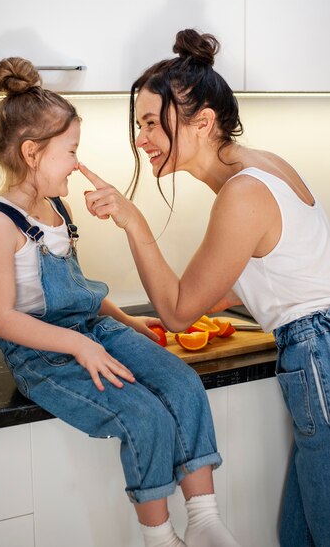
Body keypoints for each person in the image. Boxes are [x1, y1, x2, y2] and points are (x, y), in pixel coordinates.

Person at [0, 56, 240, 547]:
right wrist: (80, 346)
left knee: (181, 381)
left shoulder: (55, 208)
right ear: (31, 153)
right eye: (70, 151)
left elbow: (75, 286)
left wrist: (126, 322)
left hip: (92, 332)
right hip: (43, 355)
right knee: (144, 416)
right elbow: (4, 319)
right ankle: (160, 536)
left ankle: (204, 520)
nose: (77, 163)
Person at [79, 28, 330, 547]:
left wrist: (132, 220)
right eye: (139, 124)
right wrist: (132, 318)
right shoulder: (258, 167)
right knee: (301, 535)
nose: (140, 139)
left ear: (204, 122)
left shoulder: (243, 194)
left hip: (317, 353)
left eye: (151, 123)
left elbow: (177, 311)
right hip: (317, 348)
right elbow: (262, 275)